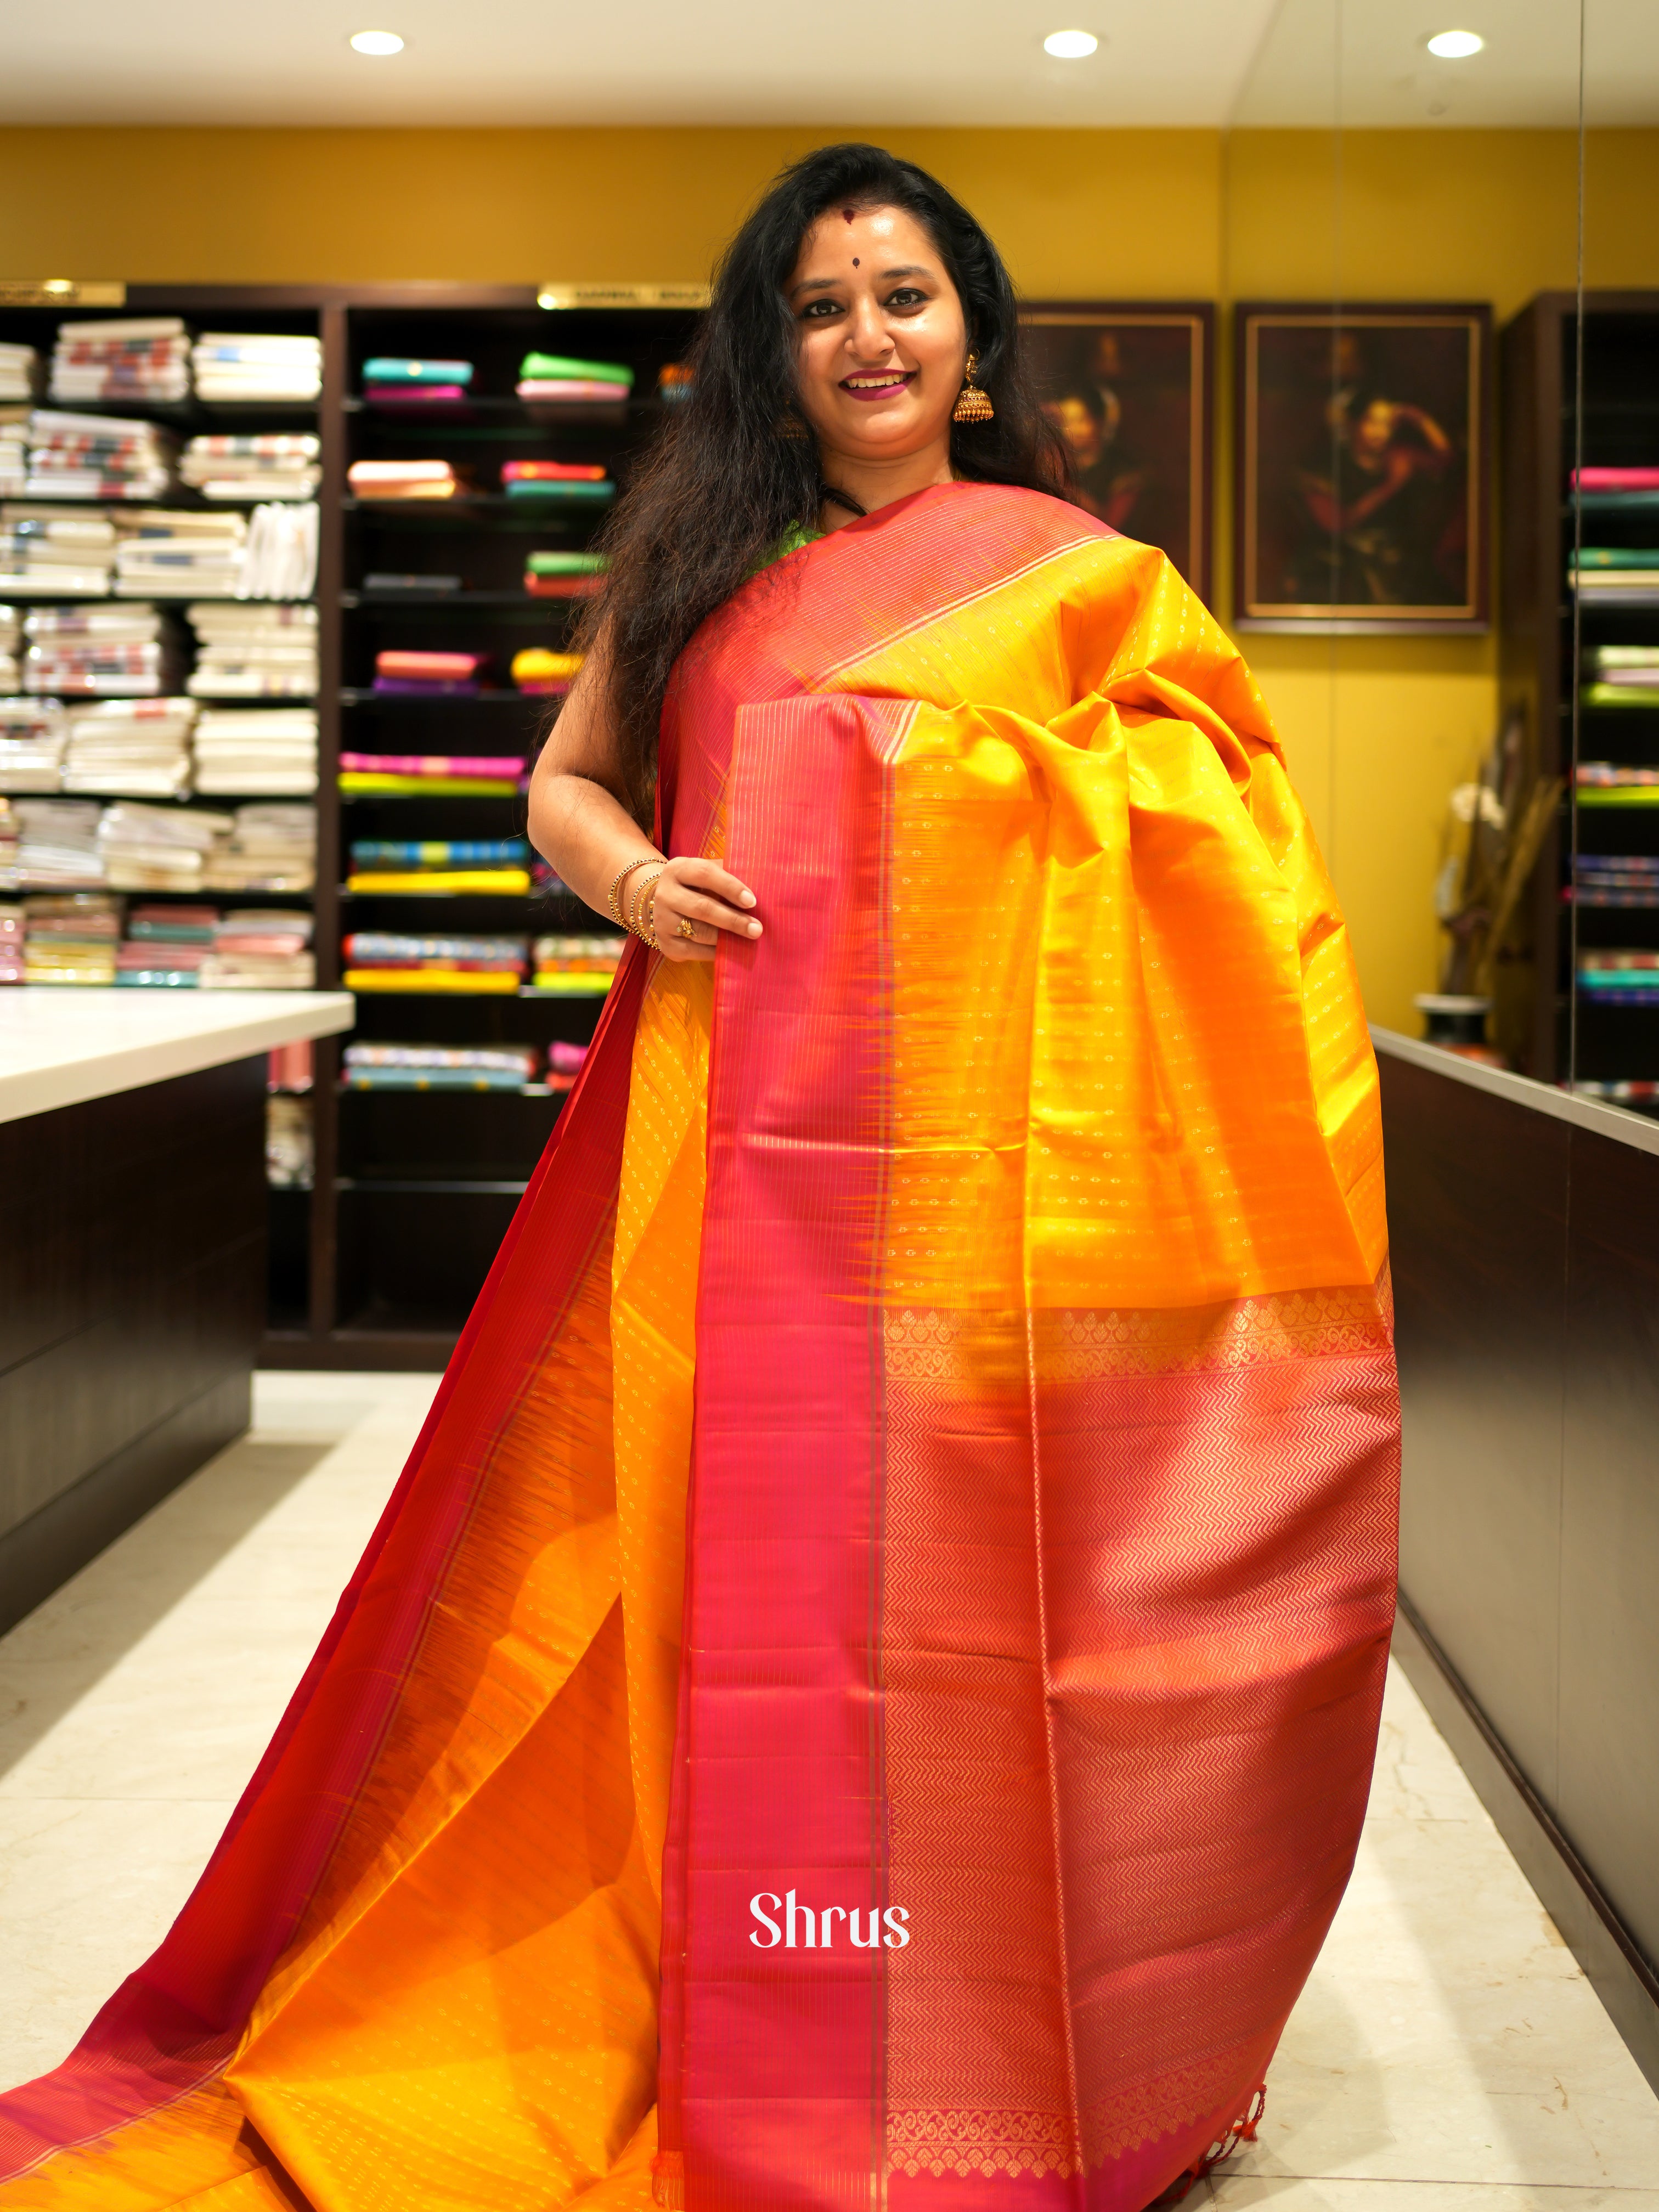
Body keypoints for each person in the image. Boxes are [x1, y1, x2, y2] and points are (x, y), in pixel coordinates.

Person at [0, 145, 1399, 2212]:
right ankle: (745, 1978)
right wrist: (639, 874)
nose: (868, 335)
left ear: (978, 348)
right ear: (773, 350)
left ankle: (1009, 2032)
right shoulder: (692, 572)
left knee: (978, 1613)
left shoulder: (1081, 580)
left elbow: (1221, 821)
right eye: (823, 303)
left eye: (907, 296)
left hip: (971, 1204)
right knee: (697, 1590)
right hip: (719, 1169)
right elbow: (557, 784)